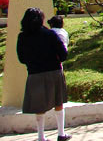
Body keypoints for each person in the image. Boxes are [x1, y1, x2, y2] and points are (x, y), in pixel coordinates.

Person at [17, 8, 72, 141]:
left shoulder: (22, 37)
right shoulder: (50, 34)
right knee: (58, 102)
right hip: (54, 72)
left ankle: (41, 137)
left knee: (39, 106)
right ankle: (61, 134)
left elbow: (22, 58)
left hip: (35, 74)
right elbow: (63, 54)